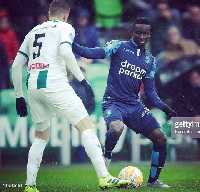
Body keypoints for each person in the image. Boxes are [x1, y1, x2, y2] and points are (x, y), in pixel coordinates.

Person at [12, 0, 131, 191]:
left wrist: (19, 96)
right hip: (55, 83)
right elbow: (67, 52)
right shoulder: (65, 27)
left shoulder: (32, 32)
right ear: (66, 15)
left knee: (41, 135)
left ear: (49, 13)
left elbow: (16, 65)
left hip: (33, 87)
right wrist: (82, 79)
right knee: (87, 128)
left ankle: (30, 185)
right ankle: (104, 177)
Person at [72, 17, 177, 188]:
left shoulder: (150, 60)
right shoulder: (118, 46)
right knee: (116, 128)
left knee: (161, 138)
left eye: (145, 33)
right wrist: (72, 44)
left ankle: (153, 181)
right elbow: (93, 53)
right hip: (113, 102)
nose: (142, 36)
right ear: (132, 32)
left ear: (150, 35)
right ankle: (107, 156)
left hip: (134, 106)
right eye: (139, 32)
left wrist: (164, 107)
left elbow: (150, 92)